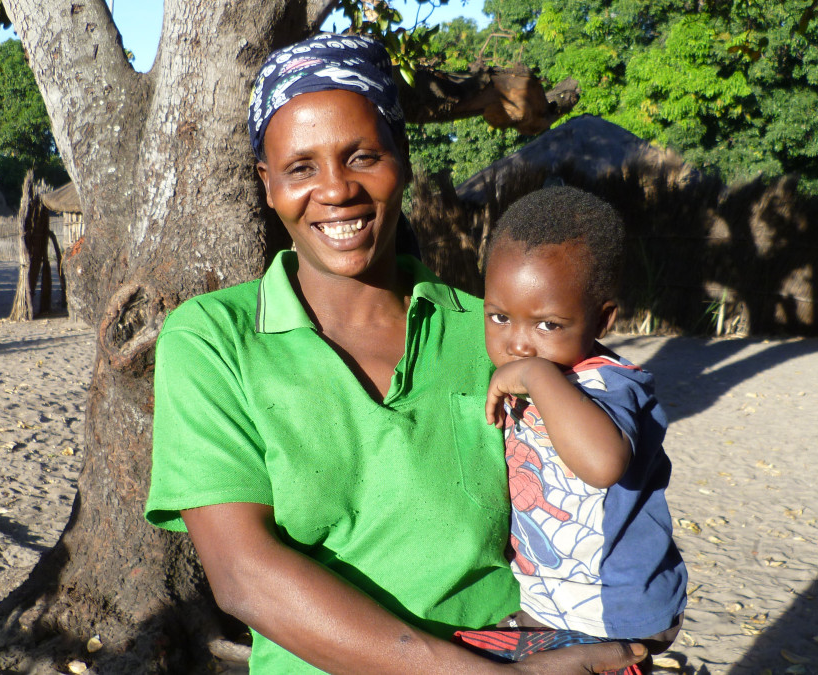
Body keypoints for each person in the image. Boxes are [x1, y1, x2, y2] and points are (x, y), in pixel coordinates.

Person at [143, 34, 648, 674]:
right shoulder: (214, 339)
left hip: (517, 647)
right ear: (267, 187)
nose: (335, 190)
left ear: (402, 161)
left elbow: (610, 478)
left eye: (362, 157)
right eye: (301, 168)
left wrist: (633, 616)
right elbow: (245, 577)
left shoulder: (493, 335)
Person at [455, 187, 686, 666]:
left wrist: (536, 376)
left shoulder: (607, 384)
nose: (518, 343)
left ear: (602, 318)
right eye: (499, 317)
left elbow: (603, 464)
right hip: (558, 600)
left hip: (614, 605)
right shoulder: (527, 370)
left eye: (547, 325)